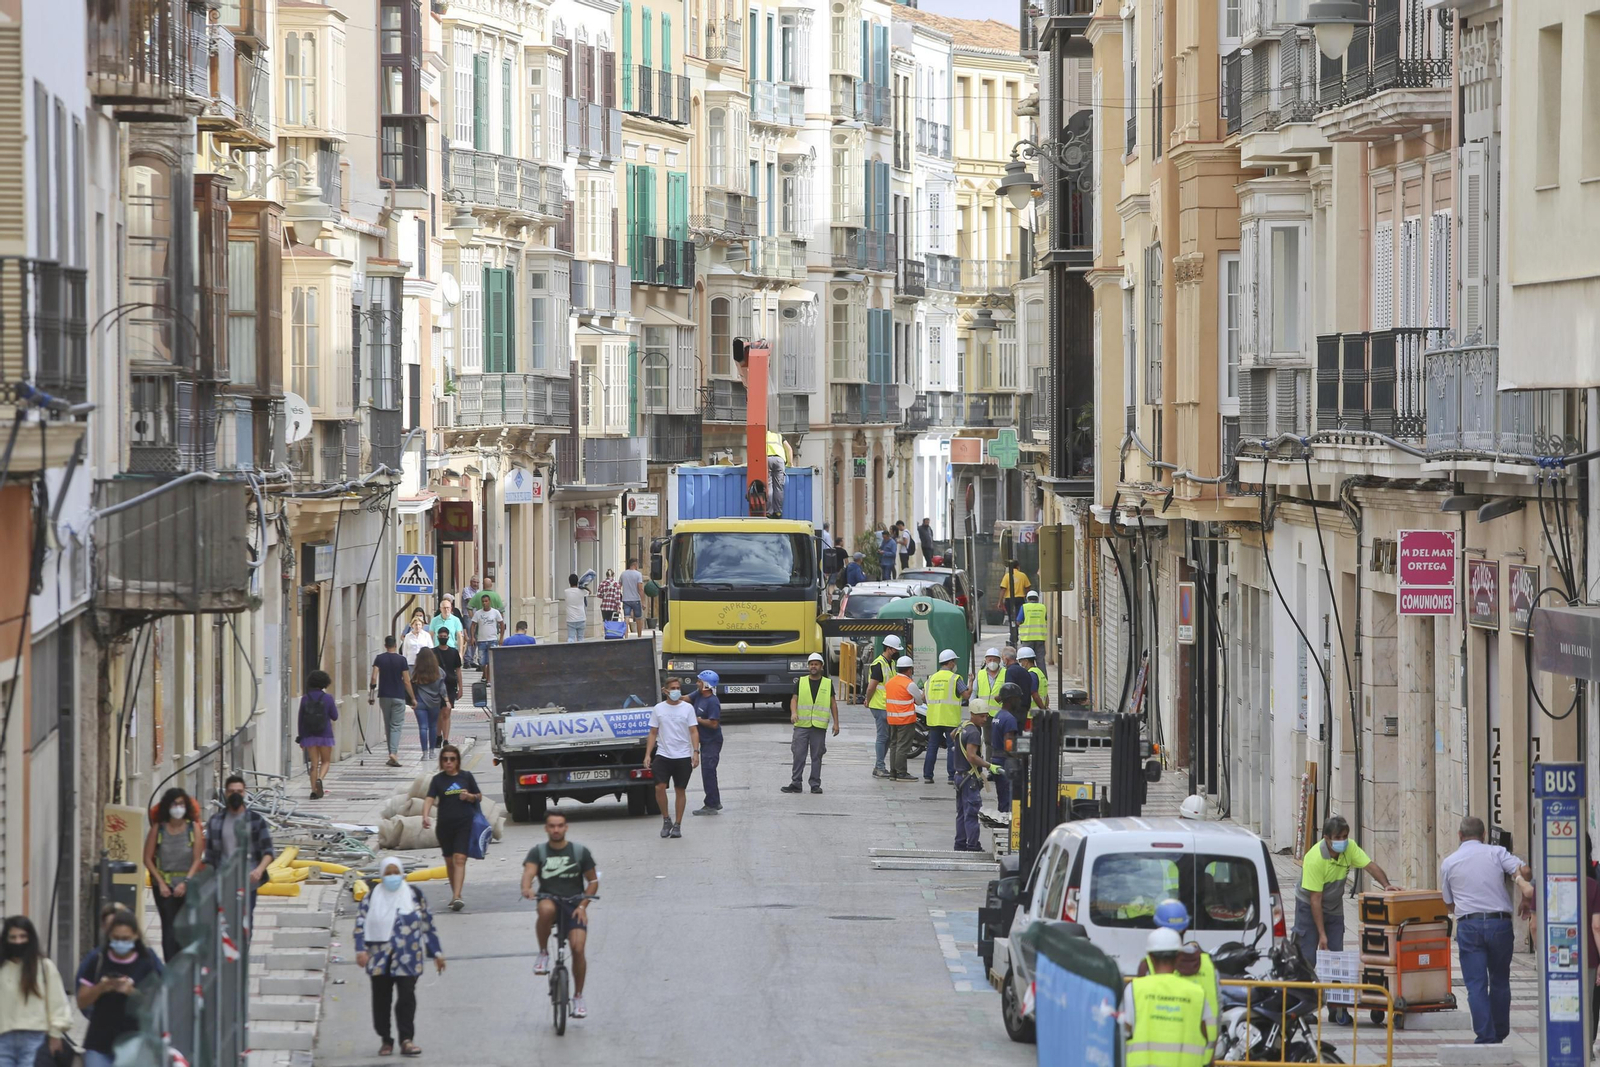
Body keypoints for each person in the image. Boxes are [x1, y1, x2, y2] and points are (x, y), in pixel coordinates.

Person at [1439, 815, 1534, 1045]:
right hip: (1499, 924)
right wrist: (1524, 897)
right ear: (1483, 836)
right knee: (1500, 980)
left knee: (1476, 984)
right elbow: (1525, 871)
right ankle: (1500, 1033)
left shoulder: (1449, 862)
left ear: (1460, 836)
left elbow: (1448, 902)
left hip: (1469, 926)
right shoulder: (1496, 852)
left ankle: (1485, 1036)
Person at [1297, 814, 1398, 1026]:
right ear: (1326, 838)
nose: (1342, 840)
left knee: (1337, 957)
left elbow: (1370, 866)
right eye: (1338, 837)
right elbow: (1315, 900)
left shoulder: (1349, 848)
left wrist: (1386, 884)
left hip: (1333, 907)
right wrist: (1321, 934)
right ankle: (1303, 1008)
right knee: (1307, 958)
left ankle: (1336, 1007)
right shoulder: (1314, 858)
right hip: (1309, 907)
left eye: (1345, 836)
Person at [355, 856, 445, 1057]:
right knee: (381, 1000)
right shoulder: (371, 898)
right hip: (379, 958)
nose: (393, 877)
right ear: (381, 875)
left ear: (402, 873)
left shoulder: (413, 895)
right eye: (388, 873)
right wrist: (360, 950)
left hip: (408, 958)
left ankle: (407, 1039)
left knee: (406, 998)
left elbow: (427, 925)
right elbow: (360, 924)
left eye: (396, 872)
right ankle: (386, 1039)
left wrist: (437, 953)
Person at [523, 812, 599, 1021]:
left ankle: (578, 996)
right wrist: (527, 887)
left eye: (560, 826)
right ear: (546, 828)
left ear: (566, 827)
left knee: (578, 948)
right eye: (552, 826)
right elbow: (529, 873)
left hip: (574, 904)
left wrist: (583, 905)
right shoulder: (538, 852)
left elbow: (592, 881)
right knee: (546, 910)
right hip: (550, 898)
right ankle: (543, 953)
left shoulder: (579, 852)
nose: (556, 830)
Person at [75, 912, 164, 1067]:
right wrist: (101, 988)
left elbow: (155, 1004)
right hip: (99, 1042)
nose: (120, 943)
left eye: (125, 939)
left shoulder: (146, 962)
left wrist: (132, 992)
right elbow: (82, 1001)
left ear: (135, 936)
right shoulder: (98, 960)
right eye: (116, 938)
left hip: (134, 1042)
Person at [1135, 900, 1221, 1057]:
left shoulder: (1148, 967)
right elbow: (1217, 1015)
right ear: (1186, 928)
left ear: (1157, 929)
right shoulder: (1208, 967)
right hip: (1199, 1059)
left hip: (1156, 1058)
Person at [1122, 928, 1214, 1067]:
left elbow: (1123, 1033)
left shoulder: (1134, 989)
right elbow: (1207, 1036)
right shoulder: (1197, 994)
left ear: (1150, 958)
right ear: (1178, 957)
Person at [141, 787, 205, 961]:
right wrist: (161, 883)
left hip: (188, 884)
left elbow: (197, 859)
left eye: (181, 804)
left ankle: (187, 965)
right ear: (167, 807)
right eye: (174, 804)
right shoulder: (158, 829)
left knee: (187, 927)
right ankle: (171, 966)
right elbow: (147, 858)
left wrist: (186, 882)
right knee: (169, 928)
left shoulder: (193, 829)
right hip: (164, 887)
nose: (178, 808)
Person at [1, 916, 72, 1066]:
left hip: (35, 1039)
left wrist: (55, 1034)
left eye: (22, 936)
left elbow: (58, 1003)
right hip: (3, 1039)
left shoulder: (44, 967)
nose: (18, 941)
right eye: (12, 937)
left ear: (30, 938)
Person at [205, 774, 275, 925]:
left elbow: (268, 851)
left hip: (248, 881)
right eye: (231, 791)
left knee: (245, 922)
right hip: (224, 881)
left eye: (239, 791)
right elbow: (210, 856)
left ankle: (244, 947)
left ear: (244, 793)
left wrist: (259, 870)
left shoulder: (256, 821)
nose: (235, 795)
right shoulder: (216, 821)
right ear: (225, 793)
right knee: (225, 923)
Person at [421, 745, 482, 912]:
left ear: (457, 761)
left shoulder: (466, 777)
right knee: (449, 861)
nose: (449, 762)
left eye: (452, 759)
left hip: (464, 824)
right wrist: (425, 815)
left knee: (460, 859)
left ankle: (457, 896)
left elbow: (479, 796)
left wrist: (470, 796)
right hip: (444, 826)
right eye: (445, 759)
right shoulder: (438, 780)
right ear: (441, 761)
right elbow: (429, 798)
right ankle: (455, 894)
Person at [643, 680, 700, 839]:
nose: (676, 691)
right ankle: (666, 819)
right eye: (673, 688)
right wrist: (648, 754)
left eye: (678, 688)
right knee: (659, 787)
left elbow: (693, 731)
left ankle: (678, 824)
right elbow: (653, 732)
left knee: (680, 790)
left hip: (682, 755)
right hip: (663, 754)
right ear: (665, 690)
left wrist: (696, 752)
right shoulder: (658, 709)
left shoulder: (687, 708)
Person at [783, 653, 839, 795]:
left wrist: (836, 723)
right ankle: (796, 783)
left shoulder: (827, 683)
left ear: (821, 666)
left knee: (817, 756)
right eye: (811, 664)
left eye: (816, 664)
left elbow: (833, 703)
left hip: (818, 727)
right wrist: (793, 712)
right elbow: (794, 699)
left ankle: (815, 784)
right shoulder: (800, 682)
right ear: (808, 666)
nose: (813, 666)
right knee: (798, 754)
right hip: (802, 724)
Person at [954, 701, 997, 851]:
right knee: (972, 814)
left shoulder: (963, 726)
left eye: (986, 716)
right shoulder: (974, 733)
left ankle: (960, 844)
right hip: (969, 779)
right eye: (981, 716)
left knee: (961, 813)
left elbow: (953, 735)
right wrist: (988, 765)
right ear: (972, 714)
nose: (985, 719)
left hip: (960, 776)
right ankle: (972, 846)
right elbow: (972, 756)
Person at [923, 649, 969, 785]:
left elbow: (923, 697)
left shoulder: (931, 678)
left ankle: (928, 775)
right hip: (950, 719)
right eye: (954, 661)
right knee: (952, 748)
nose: (955, 664)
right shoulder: (955, 678)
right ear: (950, 662)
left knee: (932, 747)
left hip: (934, 719)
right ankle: (951, 776)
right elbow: (966, 695)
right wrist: (971, 684)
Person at [370, 636, 415, 768]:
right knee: (396, 726)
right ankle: (394, 753)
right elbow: (406, 681)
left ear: (385, 645)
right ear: (395, 645)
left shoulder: (379, 658)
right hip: (398, 696)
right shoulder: (402, 660)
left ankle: (391, 754)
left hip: (384, 696)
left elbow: (373, 677)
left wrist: (372, 694)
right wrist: (412, 697)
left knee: (388, 724)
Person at [863, 635, 903, 779]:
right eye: (896, 649)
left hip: (887, 705)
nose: (897, 651)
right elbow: (871, 687)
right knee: (883, 737)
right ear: (889, 648)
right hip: (880, 705)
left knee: (886, 738)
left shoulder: (890, 663)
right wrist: (867, 700)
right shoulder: (878, 664)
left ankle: (878, 766)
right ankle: (880, 767)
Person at [296, 669, 339, 800]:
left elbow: (300, 719)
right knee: (325, 761)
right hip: (325, 734)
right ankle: (320, 779)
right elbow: (335, 716)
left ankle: (314, 790)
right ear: (325, 683)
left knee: (314, 764)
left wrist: (301, 738)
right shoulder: (328, 698)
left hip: (309, 736)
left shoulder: (305, 698)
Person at [691, 671, 724, 816]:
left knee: (709, 771)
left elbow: (713, 724)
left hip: (712, 741)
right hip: (704, 740)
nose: (697, 683)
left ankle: (712, 804)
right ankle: (714, 801)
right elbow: (685, 698)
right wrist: (672, 697)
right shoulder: (698, 694)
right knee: (707, 771)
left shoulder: (712, 702)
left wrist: (697, 719)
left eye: (699, 681)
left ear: (705, 684)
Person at [885, 656, 922, 782]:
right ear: (909, 670)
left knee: (894, 745)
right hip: (905, 720)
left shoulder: (890, 682)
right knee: (903, 746)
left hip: (892, 719)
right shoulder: (909, 684)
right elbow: (920, 701)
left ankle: (893, 772)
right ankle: (901, 772)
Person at [410, 648, 451, 760]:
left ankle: (424, 753)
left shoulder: (416, 671)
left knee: (423, 728)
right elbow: (442, 688)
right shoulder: (439, 671)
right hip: (435, 703)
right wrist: (447, 701)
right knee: (433, 726)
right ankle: (432, 752)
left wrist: (412, 699)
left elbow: (411, 685)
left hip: (420, 702)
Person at [990, 683, 1022, 819]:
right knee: (1009, 802)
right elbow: (1009, 745)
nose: (1019, 701)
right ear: (1011, 699)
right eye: (1017, 698)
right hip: (1005, 763)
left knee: (1002, 799)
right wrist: (1022, 757)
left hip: (996, 760)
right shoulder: (1009, 719)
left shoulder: (998, 715)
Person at [433, 627, 463, 730]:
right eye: (441, 637)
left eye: (444, 637)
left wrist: (461, 688)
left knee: (446, 711)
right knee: (438, 712)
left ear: (448, 637)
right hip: (436, 686)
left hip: (450, 685)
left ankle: (445, 739)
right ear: (437, 637)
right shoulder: (433, 652)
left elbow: (458, 670)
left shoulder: (454, 652)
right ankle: (438, 736)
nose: (443, 638)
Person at [471, 596, 504, 684]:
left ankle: (489, 679)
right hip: (481, 640)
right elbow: (473, 625)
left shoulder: (495, 612)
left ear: (489, 601)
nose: (484, 603)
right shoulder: (478, 613)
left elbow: (501, 624)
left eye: (486, 601)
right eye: (483, 601)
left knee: (490, 660)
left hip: (492, 639)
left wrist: (501, 637)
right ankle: (485, 675)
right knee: (482, 662)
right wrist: (473, 637)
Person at [1000, 559, 1031, 643]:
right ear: (1018, 566)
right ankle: (1021, 635)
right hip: (1020, 599)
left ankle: (1013, 636)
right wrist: (1028, 598)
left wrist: (1000, 602)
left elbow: (1003, 589)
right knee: (1020, 618)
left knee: (1012, 618)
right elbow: (1027, 588)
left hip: (1009, 600)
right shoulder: (1023, 575)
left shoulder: (1007, 576)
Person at [972, 647, 1006, 718]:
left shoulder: (1005, 673)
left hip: (1000, 713)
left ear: (999, 661)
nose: (992, 662)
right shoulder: (981, 674)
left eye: (995, 660)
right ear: (986, 661)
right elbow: (974, 691)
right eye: (990, 660)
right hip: (983, 713)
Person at [1017, 646, 1049, 714]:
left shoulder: (1031, 674)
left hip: (1032, 714)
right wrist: (1045, 707)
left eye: (1020, 661)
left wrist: (1043, 709)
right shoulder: (1039, 672)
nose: (1020, 663)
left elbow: (1035, 695)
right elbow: (1046, 695)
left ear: (1026, 661)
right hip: (1039, 712)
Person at [765, 430, 790, 518]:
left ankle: (769, 512)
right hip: (779, 460)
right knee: (779, 487)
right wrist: (790, 463)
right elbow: (789, 449)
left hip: (767, 459)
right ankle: (778, 511)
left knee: (769, 486)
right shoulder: (779, 437)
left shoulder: (764, 436)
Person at [620, 560, 645, 635]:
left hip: (626, 599)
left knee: (626, 617)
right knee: (638, 618)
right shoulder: (638, 574)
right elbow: (640, 588)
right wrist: (643, 602)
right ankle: (639, 635)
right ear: (635, 564)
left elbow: (619, 585)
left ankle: (626, 635)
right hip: (636, 599)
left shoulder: (623, 574)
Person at [563, 573, 588, 642]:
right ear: (577, 582)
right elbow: (589, 592)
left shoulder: (566, 592)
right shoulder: (582, 591)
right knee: (581, 638)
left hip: (570, 619)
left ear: (569, 582)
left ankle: (571, 651)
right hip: (581, 617)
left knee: (571, 637)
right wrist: (583, 586)